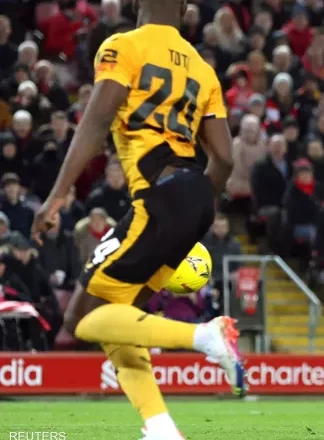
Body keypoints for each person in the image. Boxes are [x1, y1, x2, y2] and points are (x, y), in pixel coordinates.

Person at [29, 1, 242, 439]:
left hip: (159, 196)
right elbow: (224, 158)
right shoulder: (203, 68)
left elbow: (97, 120)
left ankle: (204, 336)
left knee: (80, 319)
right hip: (195, 198)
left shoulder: (122, 46)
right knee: (118, 315)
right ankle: (161, 428)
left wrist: (57, 195)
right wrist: (198, 204)